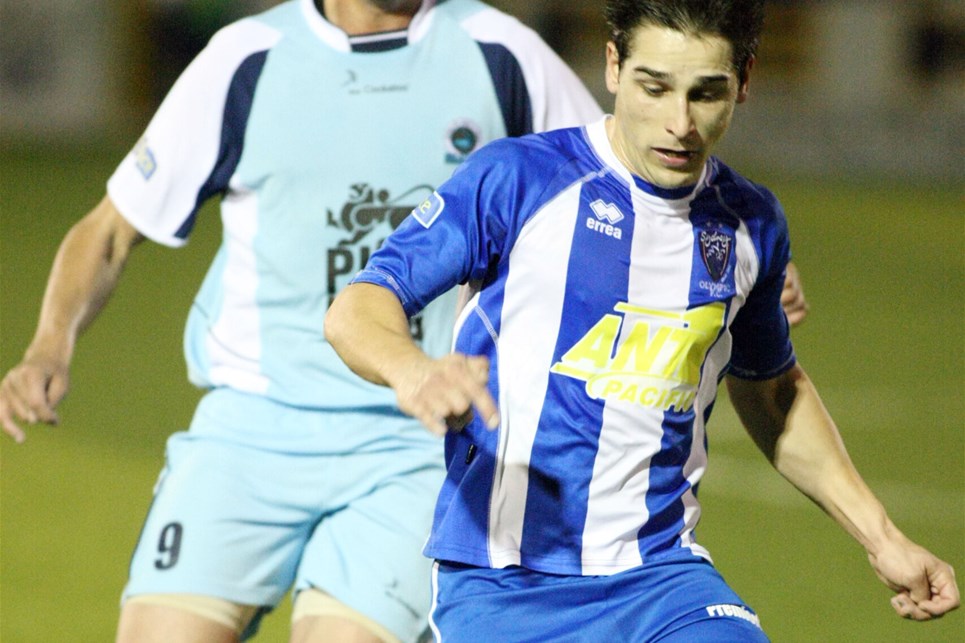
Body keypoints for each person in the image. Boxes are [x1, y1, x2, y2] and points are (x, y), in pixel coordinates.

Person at [323, 0, 960, 640]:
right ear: (612, 67)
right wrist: (412, 371)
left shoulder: (751, 224)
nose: (678, 123)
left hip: (663, 579)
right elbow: (361, 305)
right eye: (653, 88)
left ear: (744, 82)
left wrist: (882, 538)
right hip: (504, 581)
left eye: (705, 94)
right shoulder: (520, 179)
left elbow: (771, 390)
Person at [0, 1, 604, 641]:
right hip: (251, 430)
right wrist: (47, 348)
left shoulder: (501, 54)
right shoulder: (246, 59)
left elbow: (609, 189)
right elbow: (110, 231)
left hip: (419, 442)